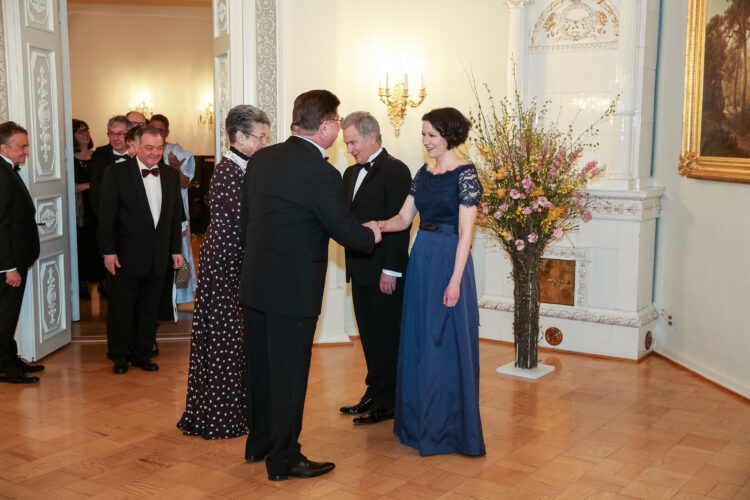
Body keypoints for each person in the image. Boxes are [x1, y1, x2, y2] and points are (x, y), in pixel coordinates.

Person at [240, 90, 381, 481]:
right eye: (336, 121)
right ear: (325, 126)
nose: (338, 127)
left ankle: (260, 443)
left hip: (255, 284)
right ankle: (284, 459)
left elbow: (247, 221)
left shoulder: (261, 160)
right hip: (293, 291)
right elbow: (344, 231)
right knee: (288, 376)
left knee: (262, 370)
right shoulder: (322, 173)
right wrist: (371, 233)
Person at [378, 107, 486, 456]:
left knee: (444, 343)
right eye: (423, 135)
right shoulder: (423, 173)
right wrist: (372, 226)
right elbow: (403, 218)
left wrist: (455, 282)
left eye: (431, 136)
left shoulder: (466, 175)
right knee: (421, 339)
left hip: (449, 261)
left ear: (450, 136)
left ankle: (448, 431)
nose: (425, 142)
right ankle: (418, 424)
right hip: (422, 258)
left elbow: (466, 234)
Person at [177, 105, 270, 439]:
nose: (263, 142)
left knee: (234, 340)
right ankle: (220, 417)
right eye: (260, 136)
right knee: (224, 340)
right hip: (225, 263)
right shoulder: (228, 170)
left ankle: (235, 412)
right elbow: (246, 222)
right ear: (240, 136)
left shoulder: (243, 167)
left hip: (235, 260)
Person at [339, 111, 411, 425]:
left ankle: (390, 401)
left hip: (384, 270)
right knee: (368, 335)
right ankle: (373, 392)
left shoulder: (396, 171)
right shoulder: (350, 174)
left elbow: (401, 225)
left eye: (353, 142)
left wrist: (392, 270)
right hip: (360, 268)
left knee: (387, 336)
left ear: (372, 136)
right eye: (347, 143)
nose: (350, 149)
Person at [98, 125, 184, 374]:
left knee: (149, 309)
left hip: (158, 255)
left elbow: (173, 217)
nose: (155, 153)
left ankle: (143, 354)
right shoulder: (116, 173)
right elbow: (106, 217)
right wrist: (108, 251)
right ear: (134, 147)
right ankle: (120, 355)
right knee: (122, 308)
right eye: (149, 147)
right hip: (125, 255)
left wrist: (175, 250)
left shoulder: (170, 175)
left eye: (159, 147)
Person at [0, 122, 43, 383]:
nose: (26, 151)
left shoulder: (9, 170)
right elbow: (0, 225)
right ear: (3, 147)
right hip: (8, 264)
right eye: (22, 146)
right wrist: (8, 267)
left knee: (9, 314)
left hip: (16, 259)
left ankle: (10, 358)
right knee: (5, 316)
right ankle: (5, 368)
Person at [148, 114, 197, 304]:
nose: (156, 132)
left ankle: (181, 294)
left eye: (160, 129)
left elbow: (186, 182)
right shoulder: (145, 151)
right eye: (152, 128)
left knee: (181, 253)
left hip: (177, 213)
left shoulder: (176, 151)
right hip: (153, 213)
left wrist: (175, 168)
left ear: (167, 132)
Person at [72, 119, 98, 299]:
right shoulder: (69, 159)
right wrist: (89, 185)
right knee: (82, 245)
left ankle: (102, 282)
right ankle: (81, 283)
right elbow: (69, 187)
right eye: (80, 131)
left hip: (97, 205)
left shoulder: (98, 156)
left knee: (99, 243)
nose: (85, 134)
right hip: (80, 208)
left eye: (87, 130)